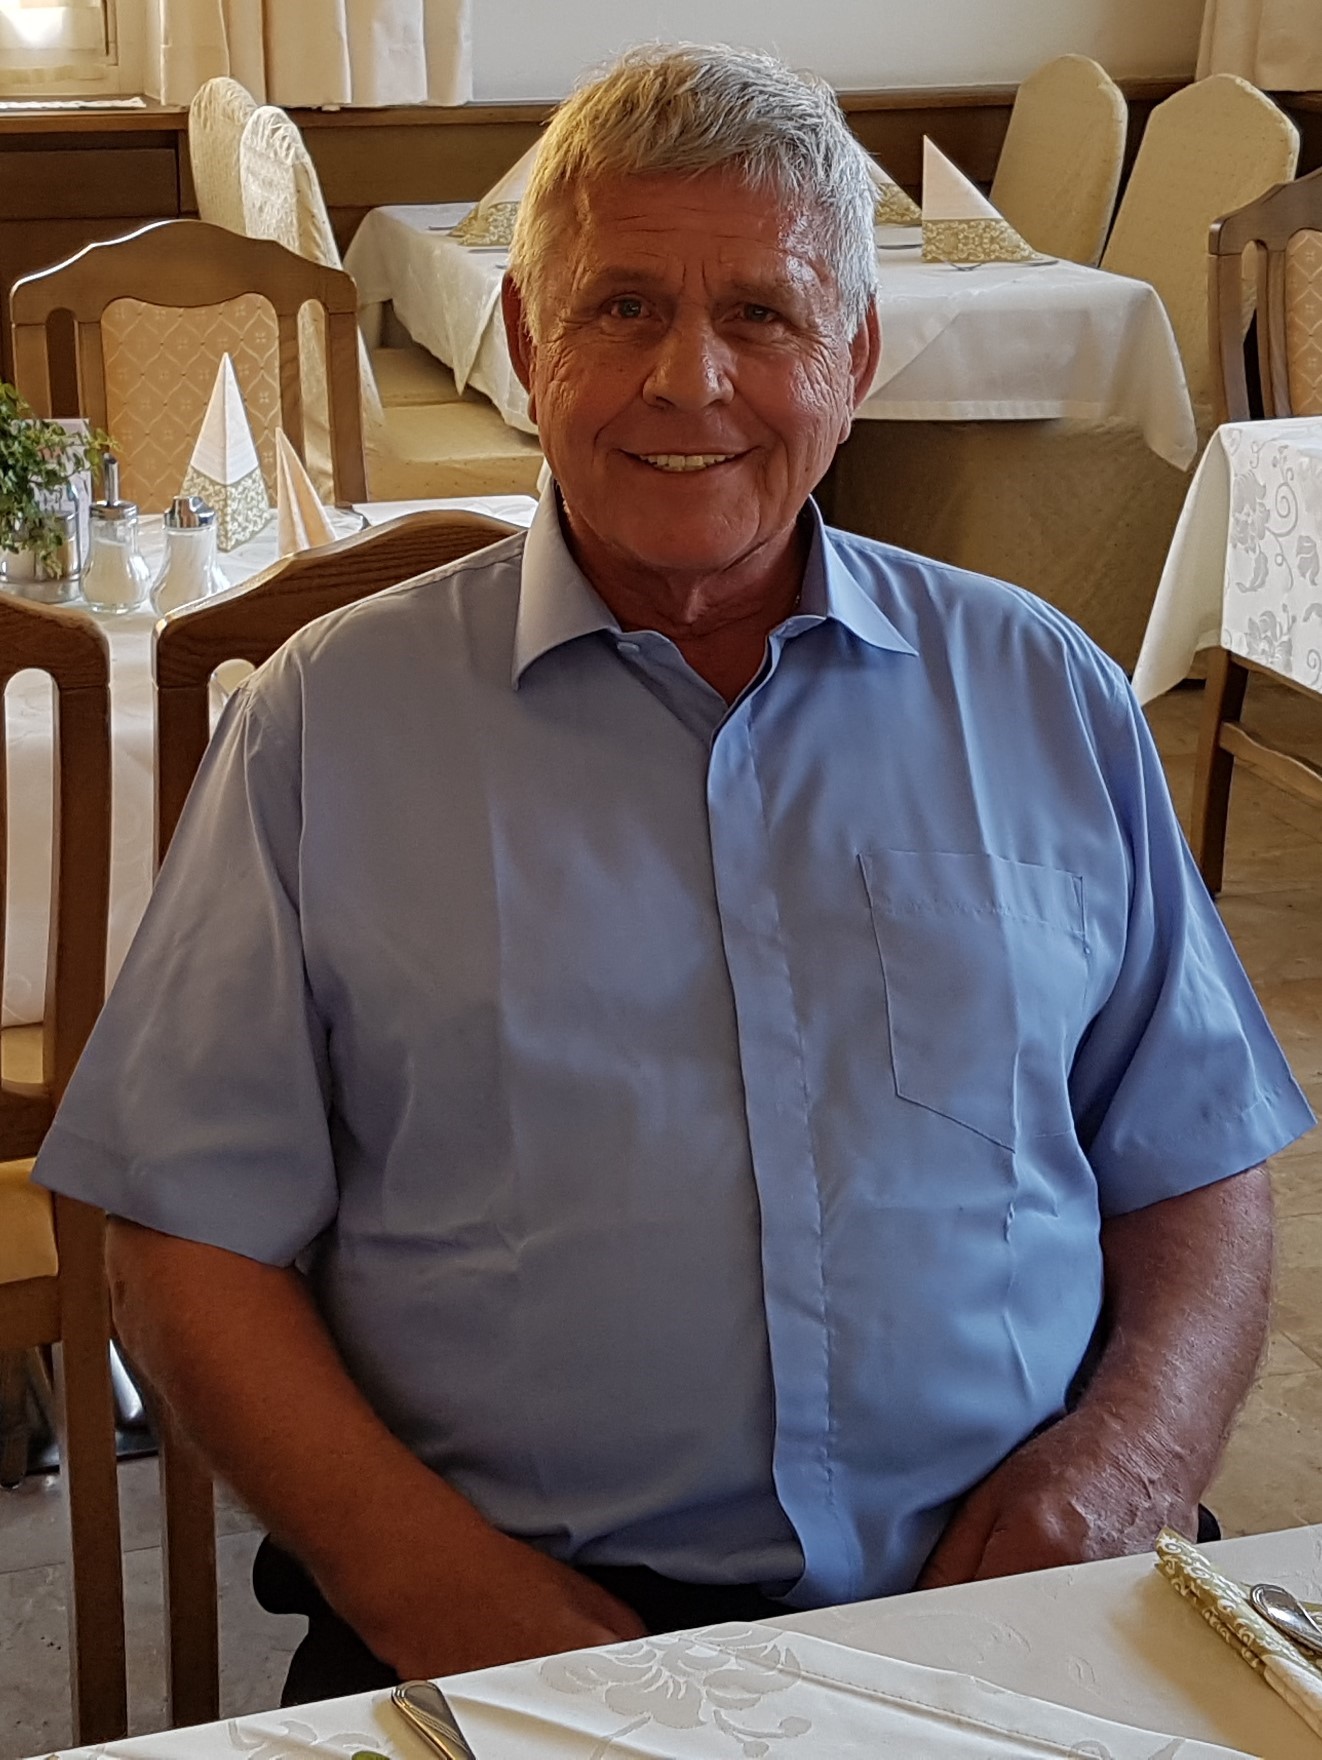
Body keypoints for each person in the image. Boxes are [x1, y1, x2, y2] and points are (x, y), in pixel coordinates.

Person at [35, 42, 1313, 1705]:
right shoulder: (325, 726)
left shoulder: (1042, 692)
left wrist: (1133, 1462)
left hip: (1030, 1588)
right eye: (621, 308)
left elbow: (1195, 1157)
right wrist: (416, 1577)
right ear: (524, 344)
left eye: (762, 316)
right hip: (509, 1621)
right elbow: (184, 1233)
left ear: (855, 354)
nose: (687, 380)